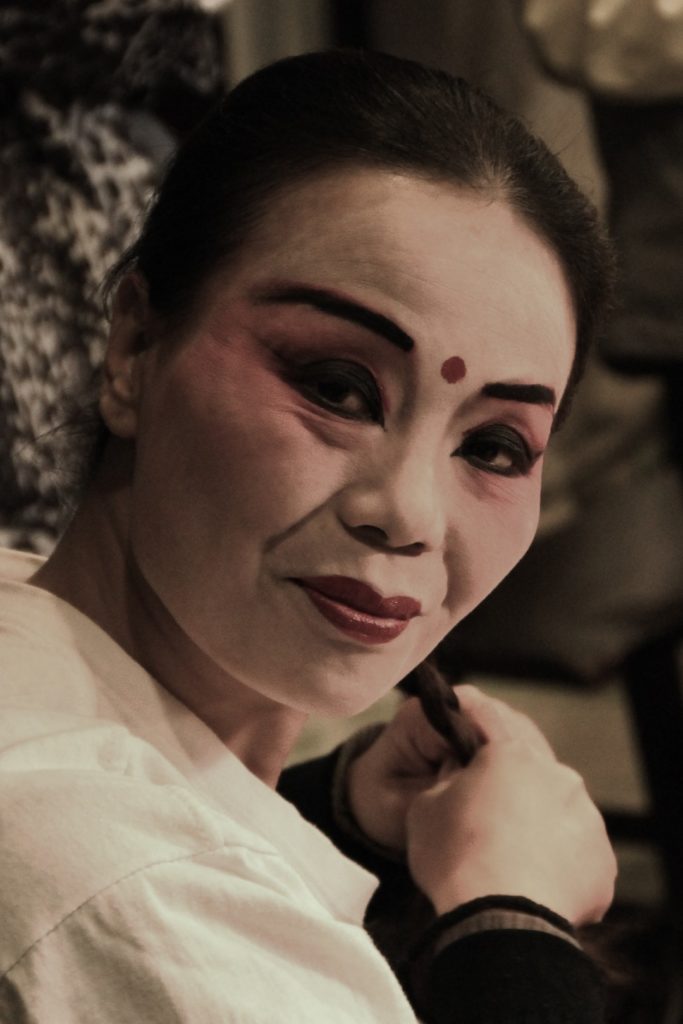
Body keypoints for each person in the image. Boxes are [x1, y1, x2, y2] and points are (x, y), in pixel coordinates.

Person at [0, 50, 617, 1023]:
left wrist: (330, 808)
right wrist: (512, 920)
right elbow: (120, 883)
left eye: (493, 447)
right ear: (133, 346)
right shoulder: (130, 895)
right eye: (336, 388)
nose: (408, 514)